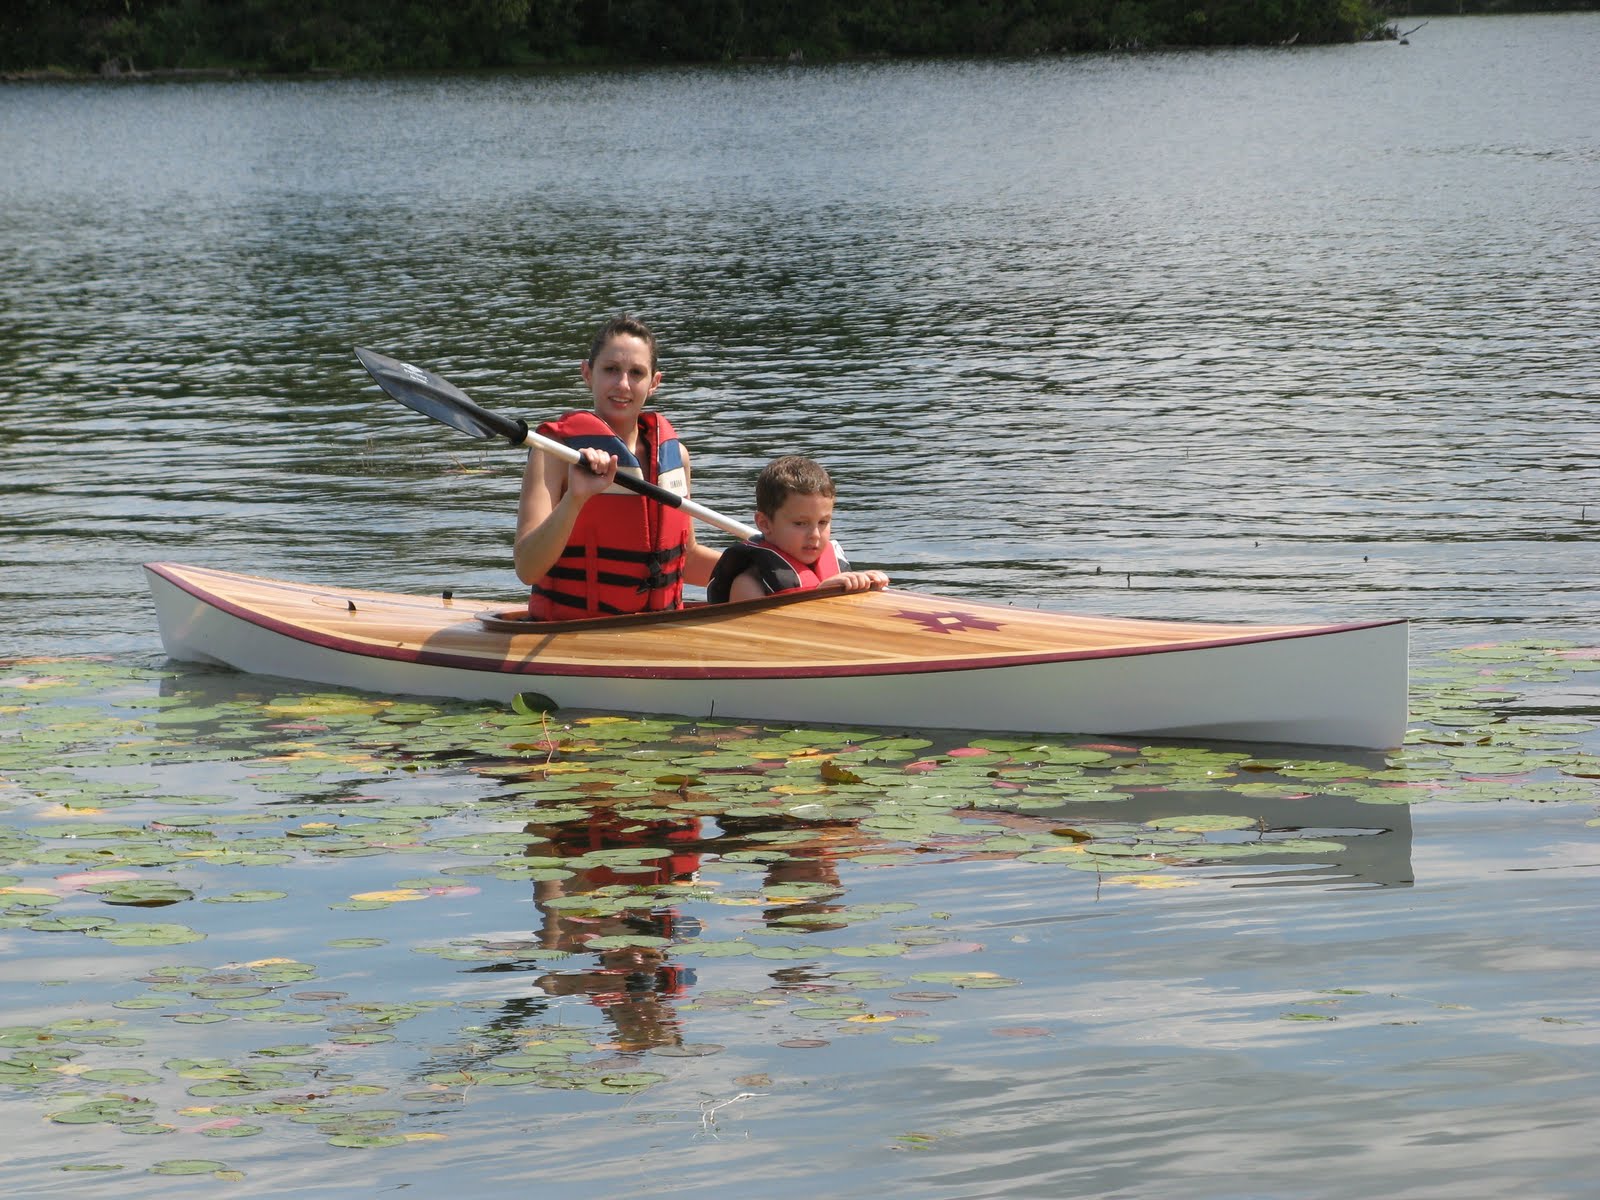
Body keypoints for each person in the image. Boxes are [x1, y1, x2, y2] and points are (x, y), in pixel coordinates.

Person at [514, 316, 721, 620]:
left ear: (654, 382)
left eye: (636, 373)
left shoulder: (676, 455)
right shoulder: (554, 453)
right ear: (588, 373)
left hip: (658, 629)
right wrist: (575, 498)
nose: (622, 384)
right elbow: (527, 568)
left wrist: (762, 568)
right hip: (571, 634)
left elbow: (686, 559)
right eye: (611, 370)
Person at [705, 455, 889, 603]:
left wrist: (866, 587)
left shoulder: (834, 569)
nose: (815, 535)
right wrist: (818, 596)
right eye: (800, 524)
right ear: (765, 524)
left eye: (823, 522)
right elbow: (754, 642)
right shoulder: (748, 584)